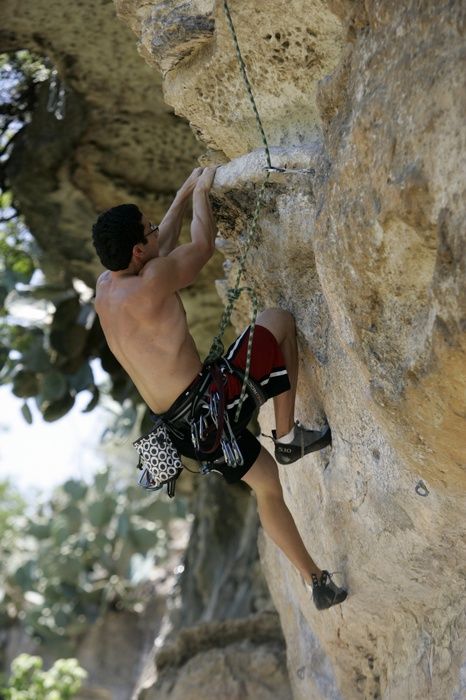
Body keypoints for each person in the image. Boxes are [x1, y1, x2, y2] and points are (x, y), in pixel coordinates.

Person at [92, 166, 347, 611]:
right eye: (148, 231)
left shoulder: (106, 289)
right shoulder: (151, 283)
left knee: (266, 486)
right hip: (212, 402)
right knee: (278, 322)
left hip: (181, 431)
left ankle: (316, 581)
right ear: (137, 250)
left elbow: (160, 245)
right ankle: (287, 436)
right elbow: (201, 245)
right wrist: (202, 198)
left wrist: (184, 189)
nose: (156, 232)